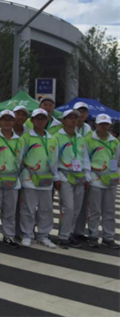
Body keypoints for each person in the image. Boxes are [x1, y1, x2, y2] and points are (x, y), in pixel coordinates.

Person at [19, 108, 58, 248]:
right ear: (32, 120)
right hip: (29, 179)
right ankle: (27, 234)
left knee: (45, 209)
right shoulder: (25, 138)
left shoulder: (52, 139)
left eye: (43, 118)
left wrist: (55, 177)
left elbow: (55, 160)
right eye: (37, 118)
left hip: (46, 179)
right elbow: (20, 159)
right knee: (28, 208)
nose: (40, 121)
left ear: (47, 120)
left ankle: (43, 235)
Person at [52, 109, 91, 249]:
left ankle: (69, 234)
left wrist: (87, 176)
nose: (73, 120)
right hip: (65, 175)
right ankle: (63, 237)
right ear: (63, 120)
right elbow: (54, 159)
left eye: (75, 118)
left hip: (80, 177)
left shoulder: (80, 138)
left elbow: (85, 158)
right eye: (69, 118)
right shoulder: (56, 137)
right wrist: (57, 177)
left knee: (77, 208)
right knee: (68, 207)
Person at [0, 110, 23, 248]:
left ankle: (9, 235)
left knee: (10, 209)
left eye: (10, 119)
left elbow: (20, 160)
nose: (7, 122)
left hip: (13, 180)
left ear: (14, 122)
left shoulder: (19, 140)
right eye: (4, 119)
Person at [84, 114, 119, 249]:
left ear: (110, 125)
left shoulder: (114, 141)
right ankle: (93, 235)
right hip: (95, 179)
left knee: (109, 210)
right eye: (101, 124)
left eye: (106, 124)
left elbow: (115, 159)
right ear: (96, 125)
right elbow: (86, 160)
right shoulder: (89, 139)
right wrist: (88, 177)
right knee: (94, 210)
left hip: (110, 180)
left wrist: (114, 174)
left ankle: (108, 237)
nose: (104, 127)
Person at [72, 101, 92, 241]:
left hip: (84, 171)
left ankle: (78, 231)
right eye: (79, 111)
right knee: (68, 206)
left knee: (83, 205)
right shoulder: (68, 128)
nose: (81, 114)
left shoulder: (89, 130)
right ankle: (67, 231)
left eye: (84, 111)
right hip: (69, 171)